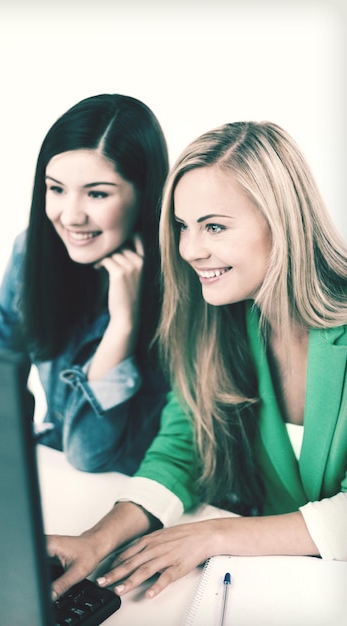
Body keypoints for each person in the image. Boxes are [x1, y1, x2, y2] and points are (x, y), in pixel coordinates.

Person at [47, 120, 347, 601]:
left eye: (214, 227)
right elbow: (182, 449)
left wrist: (214, 537)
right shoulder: (222, 319)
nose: (189, 249)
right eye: (184, 227)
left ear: (284, 221)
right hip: (274, 588)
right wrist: (96, 540)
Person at [0, 94, 170, 474]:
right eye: (56, 189)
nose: (71, 216)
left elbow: (91, 453)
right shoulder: (31, 252)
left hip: (135, 494)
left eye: (97, 193)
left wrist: (123, 326)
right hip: (58, 476)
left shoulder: (185, 285)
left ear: (145, 192)